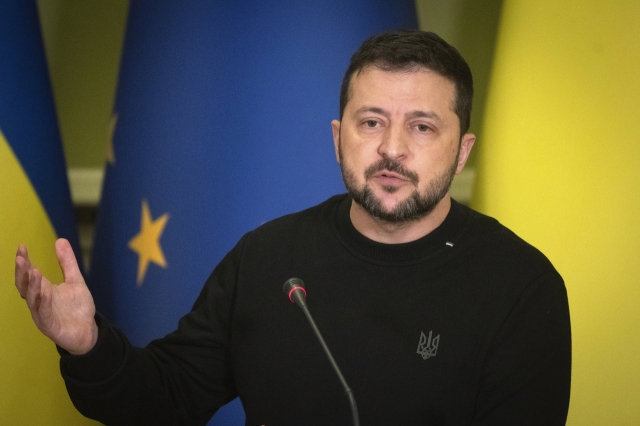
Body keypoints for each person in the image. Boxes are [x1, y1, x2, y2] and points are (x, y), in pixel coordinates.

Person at [14, 30, 571, 425]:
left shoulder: (522, 288)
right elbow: (164, 399)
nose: (392, 149)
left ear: (462, 152)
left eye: (422, 127)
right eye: (371, 122)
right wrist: (89, 346)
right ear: (338, 138)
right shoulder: (269, 257)